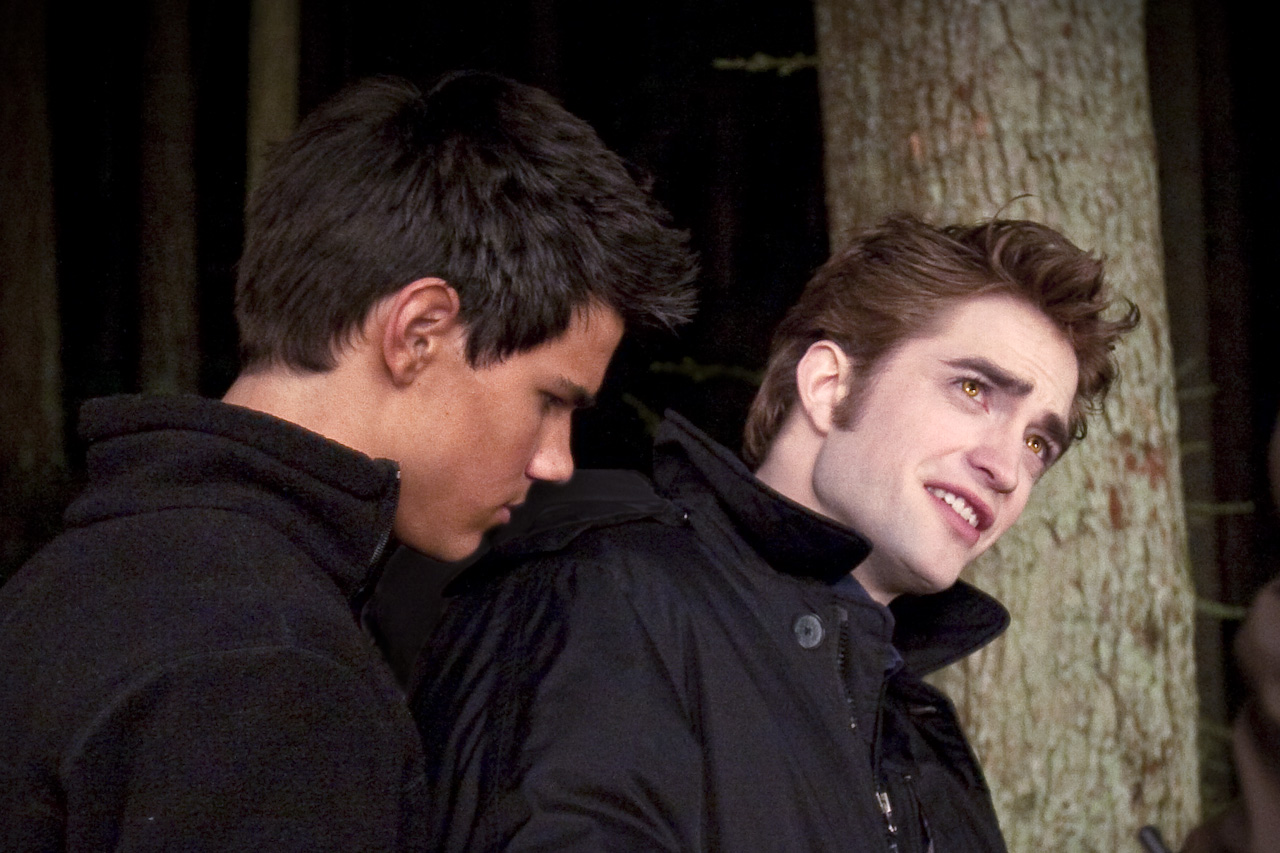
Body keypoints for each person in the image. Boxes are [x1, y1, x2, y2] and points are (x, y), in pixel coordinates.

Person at [0, 71, 696, 850]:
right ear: (419, 331)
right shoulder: (272, 672)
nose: (556, 461)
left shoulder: (69, 580)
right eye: (549, 400)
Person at [409, 214, 1138, 852]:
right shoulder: (606, 597)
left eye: (1038, 443)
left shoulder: (923, 737)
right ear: (828, 386)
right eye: (973, 389)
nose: (1007, 467)